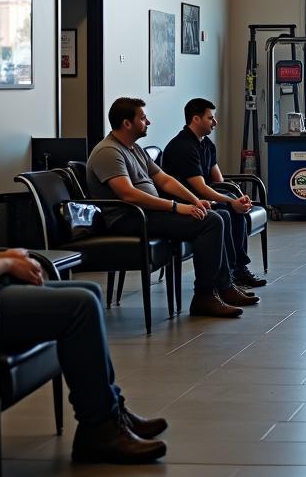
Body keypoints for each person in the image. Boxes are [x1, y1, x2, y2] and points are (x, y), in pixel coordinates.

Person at [0, 100, 167, 464]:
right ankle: (99, 428)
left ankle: (111, 410)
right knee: (81, 305)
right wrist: (7, 263)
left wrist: (9, 259)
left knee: (86, 290)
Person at [86, 97, 257, 319]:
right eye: (143, 118)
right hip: (128, 218)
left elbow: (164, 180)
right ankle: (205, 297)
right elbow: (127, 194)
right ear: (127, 123)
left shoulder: (134, 148)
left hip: (148, 214)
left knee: (216, 215)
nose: (149, 122)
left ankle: (223, 287)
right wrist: (176, 208)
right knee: (211, 222)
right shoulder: (108, 152)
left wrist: (194, 201)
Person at [161, 98, 266, 290]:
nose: (215, 122)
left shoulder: (206, 143)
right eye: (210, 118)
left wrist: (237, 197)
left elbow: (217, 180)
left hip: (204, 196)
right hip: (188, 200)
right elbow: (200, 187)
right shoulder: (182, 147)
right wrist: (230, 201)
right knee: (229, 210)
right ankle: (232, 273)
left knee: (236, 208)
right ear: (196, 119)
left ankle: (238, 270)